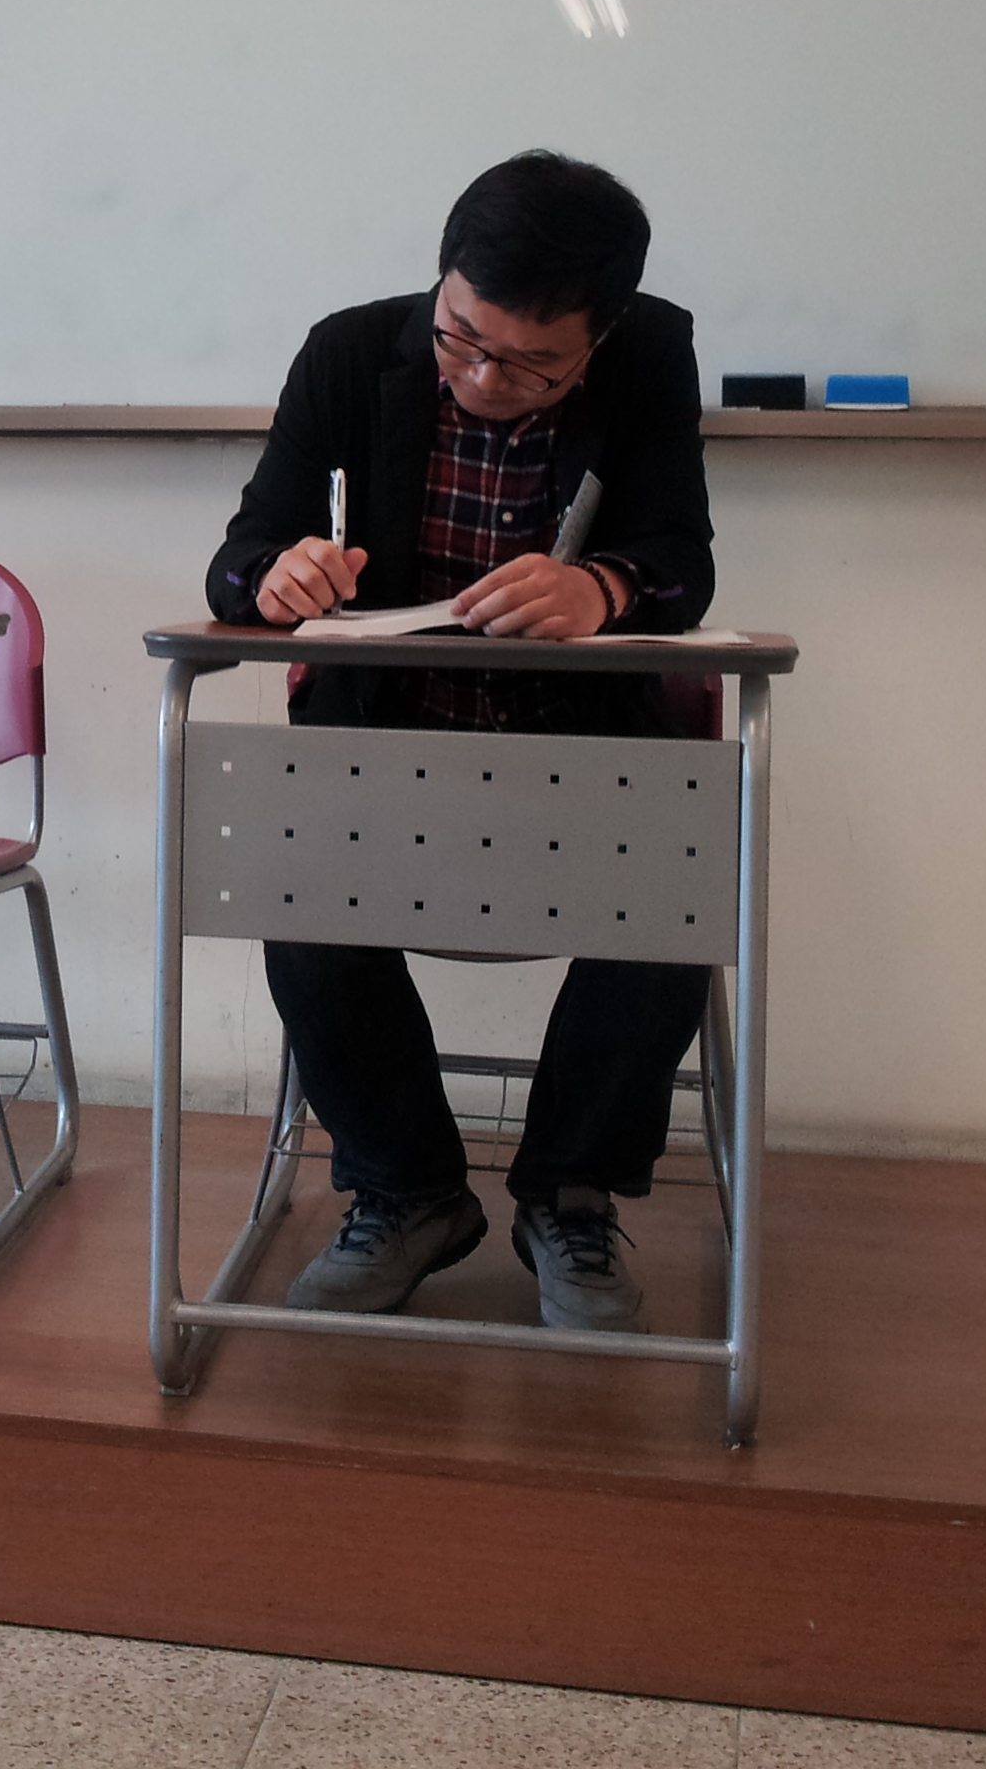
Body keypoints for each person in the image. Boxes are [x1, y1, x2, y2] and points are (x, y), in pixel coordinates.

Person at [206, 152, 714, 1331]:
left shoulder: (650, 355)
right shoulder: (349, 352)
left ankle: (570, 1197)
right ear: (440, 283)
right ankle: (407, 1192)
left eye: (534, 364)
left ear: (600, 337)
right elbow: (238, 558)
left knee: (681, 885)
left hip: (581, 766)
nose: (485, 377)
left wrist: (602, 586)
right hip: (381, 760)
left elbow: (679, 562)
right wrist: (275, 576)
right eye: (461, 338)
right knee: (295, 879)